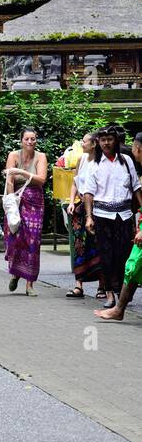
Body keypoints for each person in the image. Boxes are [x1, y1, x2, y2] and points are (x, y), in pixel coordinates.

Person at [83, 125, 141, 314]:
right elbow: (88, 193)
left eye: (110, 139)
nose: (107, 143)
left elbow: (136, 187)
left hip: (124, 215)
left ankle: (120, 292)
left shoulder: (126, 161)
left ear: (115, 141)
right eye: (103, 140)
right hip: (102, 215)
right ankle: (109, 293)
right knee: (106, 255)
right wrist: (89, 217)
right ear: (98, 143)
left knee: (124, 254)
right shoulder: (94, 165)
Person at [3, 128, 47, 296]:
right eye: (27, 139)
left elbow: (41, 180)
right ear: (21, 140)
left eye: (33, 139)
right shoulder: (13, 155)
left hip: (35, 201)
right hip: (16, 200)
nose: (30, 142)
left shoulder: (40, 156)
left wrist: (20, 171)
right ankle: (15, 273)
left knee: (33, 241)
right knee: (16, 238)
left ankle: (30, 284)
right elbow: (9, 179)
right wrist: (11, 202)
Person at [66, 132, 100, 299]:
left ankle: (102, 285)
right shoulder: (82, 160)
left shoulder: (101, 161)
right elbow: (75, 182)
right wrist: (72, 201)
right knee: (78, 244)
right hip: (80, 206)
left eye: (84, 141)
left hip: (97, 207)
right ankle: (78, 284)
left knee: (98, 244)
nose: (82, 143)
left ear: (94, 144)